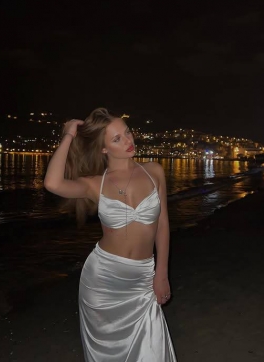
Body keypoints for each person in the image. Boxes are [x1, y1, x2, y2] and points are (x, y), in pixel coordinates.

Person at [44, 107, 177, 362]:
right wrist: (68, 135)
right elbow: (52, 183)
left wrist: (161, 273)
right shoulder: (96, 184)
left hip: (143, 277)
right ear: (104, 149)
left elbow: (162, 225)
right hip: (104, 280)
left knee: (153, 351)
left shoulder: (154, 171)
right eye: (117, 139)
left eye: (127, 132)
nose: (128, 141)